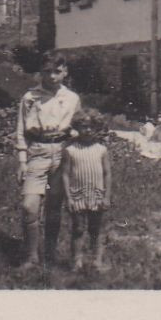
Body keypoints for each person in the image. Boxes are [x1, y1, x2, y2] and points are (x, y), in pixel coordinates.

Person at [15, 51, 80, 267]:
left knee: (54, 207)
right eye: (47, 72)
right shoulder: (30, 98)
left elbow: (78, 127)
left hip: (63, 152)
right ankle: (31, 255)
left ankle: (49, 254)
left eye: (57, 72)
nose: (52, 77)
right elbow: (21, 131)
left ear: (65, 72)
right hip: (38, 151)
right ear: (40, 72)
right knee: (29, 206)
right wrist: (23, 161)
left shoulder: (72, 98)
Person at [61, 109, 112, 271]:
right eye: (84, 127)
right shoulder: (70, 150)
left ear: (97, 128)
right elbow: (65, 174)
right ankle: (76, 261)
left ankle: (97, 260)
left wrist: (106, 196)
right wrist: (68, 198)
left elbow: (107, 173)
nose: (88, 130)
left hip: (96, 195)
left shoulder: (101, 150)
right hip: (77, 195)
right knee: (78, 228)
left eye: (91, 127)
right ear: (77, 127)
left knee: (96, 228)